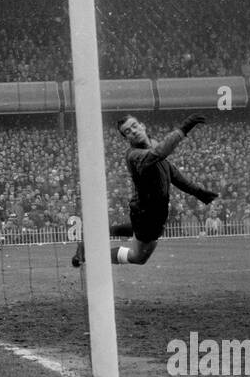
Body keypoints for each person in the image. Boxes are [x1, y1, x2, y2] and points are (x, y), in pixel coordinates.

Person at [72, 113, 218, 268]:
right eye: (127, 131)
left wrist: (198, 192)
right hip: (146, 213)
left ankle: (92, 239)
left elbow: (172, 172)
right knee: (138, 256)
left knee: (138, 248)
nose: (133, 131)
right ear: (127, 139)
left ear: (142, 126)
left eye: (134, 126)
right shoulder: (133, 155)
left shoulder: (154, 145)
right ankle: (91, 254)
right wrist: (184, 128)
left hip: (152, 211)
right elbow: (159, 153)